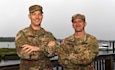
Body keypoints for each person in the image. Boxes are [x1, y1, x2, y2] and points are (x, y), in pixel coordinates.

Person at [15, 4, 59, 70]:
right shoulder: (22, 34)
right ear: (29, 16)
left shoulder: (49, 35)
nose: (37, 17)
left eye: (39, 14)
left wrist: (37, 48)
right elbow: (24, 54)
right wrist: (47, 50)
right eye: (34, 14)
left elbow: (56, 51)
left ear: (42, 16)